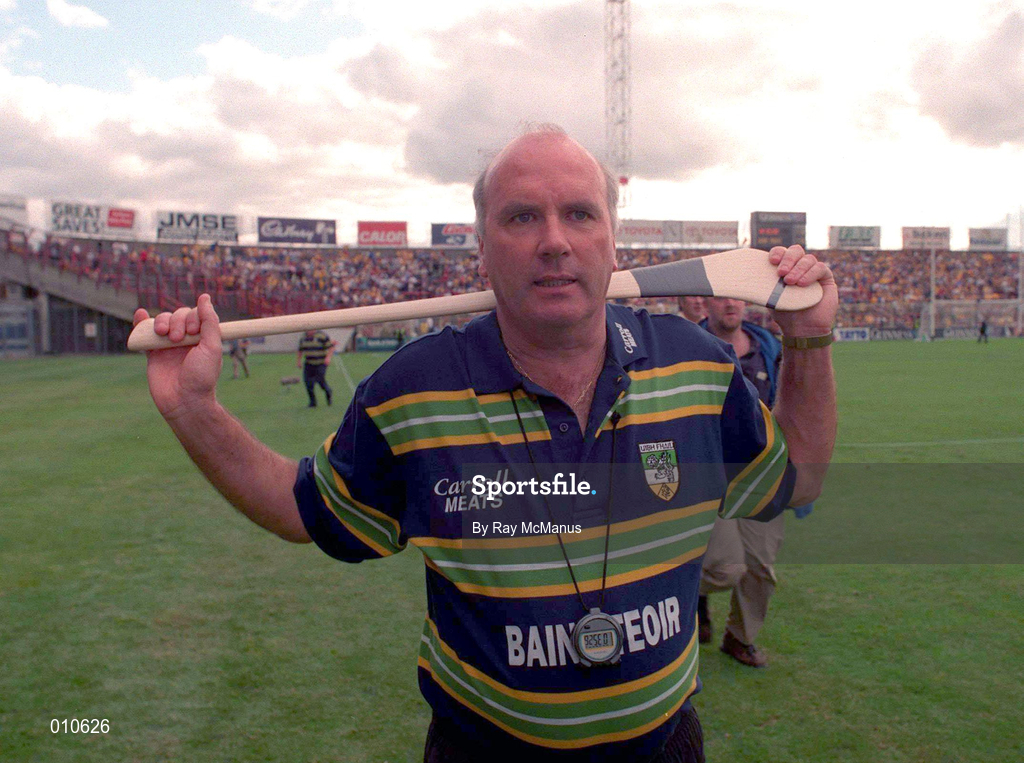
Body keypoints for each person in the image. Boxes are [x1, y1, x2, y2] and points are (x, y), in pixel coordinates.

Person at [133, 125, 837, 762]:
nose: (554, 239)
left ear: (611, 241)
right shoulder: (415, 390)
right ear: (482, 244)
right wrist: (194, 409)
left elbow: (797, 478)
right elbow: (304, 509)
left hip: (664, 746)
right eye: (522, 216)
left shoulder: (695, 368)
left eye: (579, 213)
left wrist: (810, 341)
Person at [695, 298, 792, 668]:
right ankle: (692, 603)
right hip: (707, 478)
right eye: (721, 296)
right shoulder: (686, 346)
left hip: (761, 475)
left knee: (762, 568)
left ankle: (739, 638)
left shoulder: (768, 348)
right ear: (707, 303)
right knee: (723, 568)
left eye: (736, 294)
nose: (730, 302)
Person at [297, 329, 337, 407]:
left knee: (320, 380)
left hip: (321, 363)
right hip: (309, 363)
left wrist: (328, 357)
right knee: (308, 383)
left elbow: (331, 347)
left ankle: (328, 391)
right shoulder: (303, 338)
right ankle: (313, 402)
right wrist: (298, 361)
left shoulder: (322, 336)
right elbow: (300, 350)